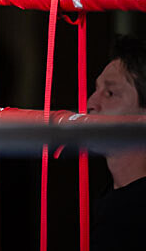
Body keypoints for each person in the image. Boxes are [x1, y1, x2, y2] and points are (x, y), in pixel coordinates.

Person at [87, 34, 146, 251]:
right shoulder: (114, 196)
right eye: (96, 90)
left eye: (110, 93)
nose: (91, 102)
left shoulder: (136, 210)